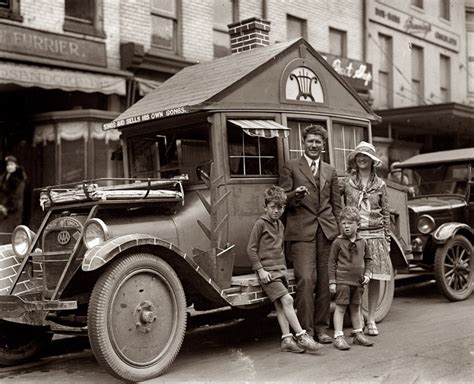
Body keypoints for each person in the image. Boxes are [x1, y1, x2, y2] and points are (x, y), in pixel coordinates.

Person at [278, 124, 342, 344]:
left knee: (325, 282)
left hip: (327, 232)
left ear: (323, 145)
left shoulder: (330, 171)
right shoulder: (291, 167)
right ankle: (305, 331)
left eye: (318, 142)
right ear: (303, 143)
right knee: (306, 280)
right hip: (301, 232)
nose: (314, 145)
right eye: (310, 141)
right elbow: (281, 199)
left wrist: (341, 234)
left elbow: (337, 205)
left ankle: (322, 329)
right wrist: (294, 194)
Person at [247, 186, 323, 354]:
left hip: (279, 270)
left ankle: (286, 339)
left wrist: (283, 269)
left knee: (281, 306)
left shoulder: (280, 225)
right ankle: (302, 336)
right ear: (265, 206)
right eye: (273, 207)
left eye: (280, 207)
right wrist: (260, 270)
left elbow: (279, 248)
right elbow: (251, 249)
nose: (276, 211)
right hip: (267, 273)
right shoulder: (260, 224)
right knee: (288, 300)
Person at [340, 141, 391, 337]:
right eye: (359, 156)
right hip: (356, 237)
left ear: (372, 161)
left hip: (376, 234)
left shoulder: (380, 185)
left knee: (375, 278)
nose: (362, 159)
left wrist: (386, 239)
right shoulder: (347, 182)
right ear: (355, 159)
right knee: (357, 278)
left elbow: (385, 212)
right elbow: (338, 205)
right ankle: (358, 318)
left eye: (366, 156)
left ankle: (371, 319)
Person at [328, 206, 374, 350]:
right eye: (343, 223)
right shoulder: (338, 242)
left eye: (350, 223)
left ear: (358, 225)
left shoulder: (363, 242)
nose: (346, 226)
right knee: (340, 308)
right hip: (342, 281)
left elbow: (369, 260)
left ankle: (358, 334)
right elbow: (331, 262)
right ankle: (339, 336)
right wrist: (332, 281)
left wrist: (367, 274)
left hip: (358, 281)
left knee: (356, 307)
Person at [0, 156, 27, 233]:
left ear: (16, 165)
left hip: (13, 209)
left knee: (10, 232)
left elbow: (17, 196)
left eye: (12, 164)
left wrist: (7, 208)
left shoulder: (19, 179)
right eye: (8, 165)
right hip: (2, 209)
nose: (9, 167)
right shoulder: (4, 177)